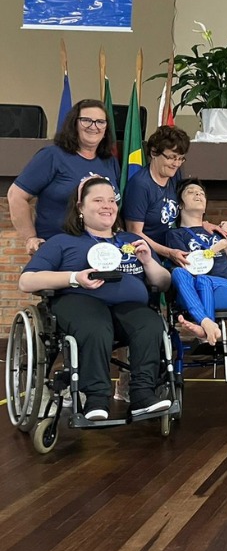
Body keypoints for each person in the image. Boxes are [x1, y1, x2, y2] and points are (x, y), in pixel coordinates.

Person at [18, 176, 173, 420]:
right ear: (80, 207)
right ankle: (96, 399)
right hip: (79, 301)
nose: (107, 206)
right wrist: (75, 278)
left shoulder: (132, 241)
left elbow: (163, 283)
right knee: (96, 326)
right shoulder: (63, 242)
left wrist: (148, 261)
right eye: (98, 200)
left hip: (128, 306)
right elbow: (26, 281)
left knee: (150, 324)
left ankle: (143, 395)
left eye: (111, 200)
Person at [8, 99, 120, 253]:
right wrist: (30, 238)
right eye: (86, 120)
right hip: (58, 250)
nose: (94, 126)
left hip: (101, 251)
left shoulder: (109, 161)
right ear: (74, 124)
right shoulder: (52, 156)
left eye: (100, 122)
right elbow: (16, 196)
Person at [165, 179, 227, 346]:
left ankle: (205, 331)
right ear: (180, 205)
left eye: (201, 193)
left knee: (204, 279)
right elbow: (187, 265)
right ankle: (208, 326)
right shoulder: (175, 234)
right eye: (191, 192)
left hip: (224, 283)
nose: (198, 194)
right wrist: (212, 250)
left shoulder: (216, 232)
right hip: (194, 283)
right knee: (179, 272)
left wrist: (226, 235)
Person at [123, 126, 192, 264]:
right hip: (145, 254)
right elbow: (134, 233)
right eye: (172, 157)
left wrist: (204, 225)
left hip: (171, 245)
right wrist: (169, 253)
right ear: (154, 152)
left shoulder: (174, 175)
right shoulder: (140, 185)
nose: (177, 164)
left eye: (181, 158)